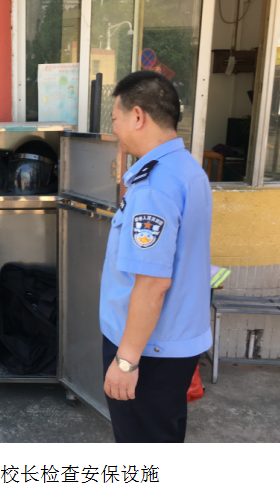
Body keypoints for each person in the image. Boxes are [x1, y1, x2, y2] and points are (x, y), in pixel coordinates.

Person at [100, 71, 213, 443]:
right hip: (174, 343)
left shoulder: (154, 186)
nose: (114, 129)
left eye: (115, 119)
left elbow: (152, 285)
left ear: (137, 116)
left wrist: (126, 361)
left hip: (148, 349)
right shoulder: (187, 170)